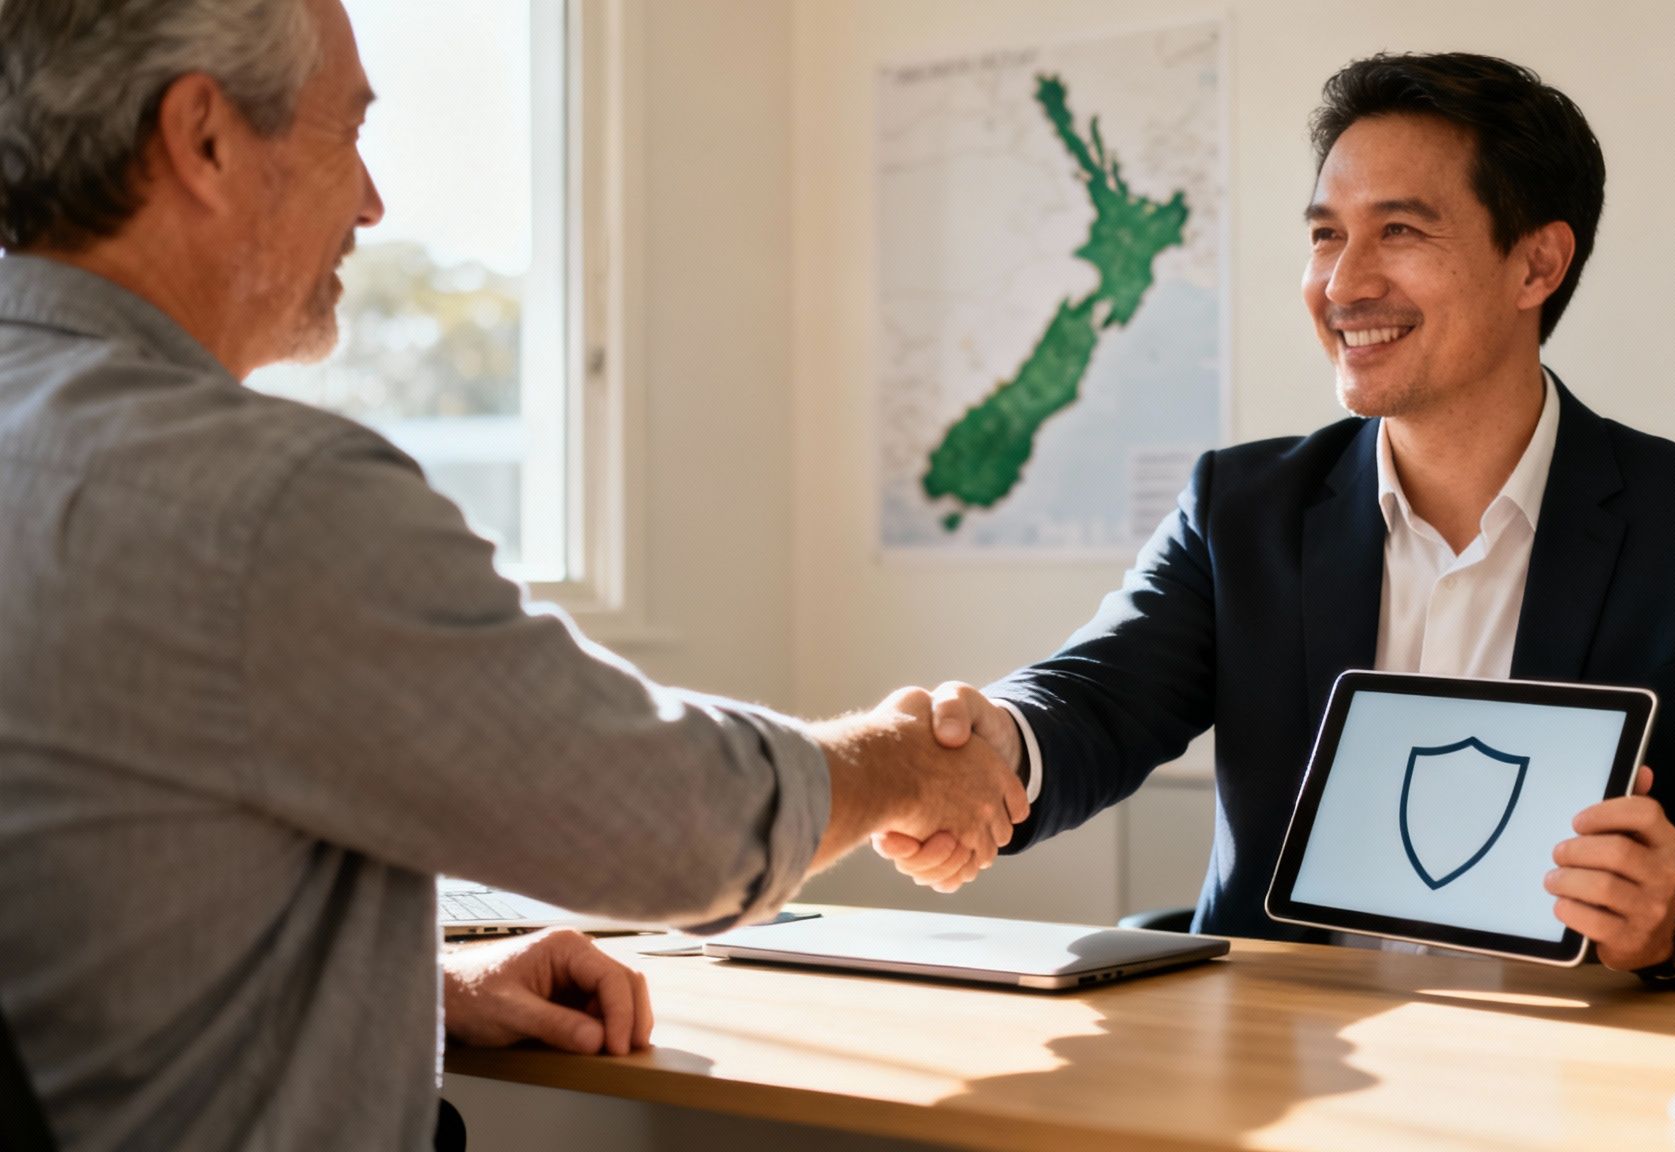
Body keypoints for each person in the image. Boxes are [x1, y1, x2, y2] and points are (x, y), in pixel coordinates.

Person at [0, 1, 1024, 1148]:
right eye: (348, 133)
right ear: (202, 137)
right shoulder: (266, 503)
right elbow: (681, 822)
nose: (373, 200)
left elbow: (82, 919)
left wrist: (424, 992)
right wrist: (899, 766)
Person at [876, 52, 1675, 987]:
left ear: (1535, 265)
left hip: (1573, 1072)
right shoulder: (1242, 512)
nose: (1341, 283)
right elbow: (1093, 701)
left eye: (1398, 231)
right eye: (1325, 234)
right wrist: (988, 745)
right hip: (1290, 1058)